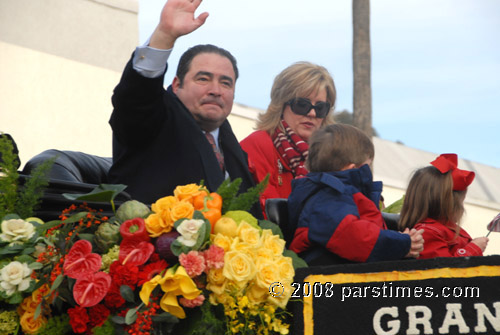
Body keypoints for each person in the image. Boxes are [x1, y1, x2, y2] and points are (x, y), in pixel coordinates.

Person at [108, 0, 260, 217]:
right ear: (177, 85)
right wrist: (164, 35)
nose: (216, 90)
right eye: (203, 78)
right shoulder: (157, 117)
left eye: (225, 83)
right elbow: (136, 97)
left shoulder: (229, 143)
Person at [287, 124, 424, 266]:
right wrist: (401, 244)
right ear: (352, 168)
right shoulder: (328, 197)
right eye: (367, 165)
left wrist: (399, 241)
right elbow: (353, 236)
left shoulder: (335, 195)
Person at [240, 62, 336, 216]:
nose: (311, 113)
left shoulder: (331, 157)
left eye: (320, 108)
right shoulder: (258, 145)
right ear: (281, 105)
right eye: (302, 105)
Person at [398, 153, 488, 258]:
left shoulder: (447, 229)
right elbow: (442, 270)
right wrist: (473, 249)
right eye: (461, 202)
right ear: (451, 203)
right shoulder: (427, 232)